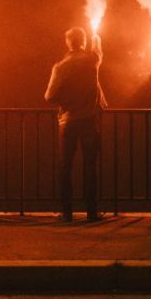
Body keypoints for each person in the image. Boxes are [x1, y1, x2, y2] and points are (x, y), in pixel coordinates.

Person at [45, 27, 105, 222]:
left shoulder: (61, 67)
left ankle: (67, 212)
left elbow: (50, 96)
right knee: (90, 166)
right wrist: (96, 39)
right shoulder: (92, 61)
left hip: (68, 121)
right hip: (90, 120)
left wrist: (67, 100)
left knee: (65, 166)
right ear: (84, 42)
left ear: (68, 43)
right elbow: (98, 52)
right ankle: (92, 212)